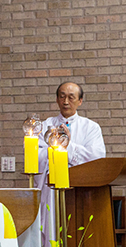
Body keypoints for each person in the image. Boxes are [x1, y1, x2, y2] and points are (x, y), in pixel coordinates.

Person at [34, 82, 105, 245]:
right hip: (50, 191)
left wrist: (68, 147)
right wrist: (57, 150)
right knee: (51, 232)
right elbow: (34, 156)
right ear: (57, 99)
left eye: (71, 97)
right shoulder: (45, 126)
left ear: (80, 101)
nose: (66, 101)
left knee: (77, 233)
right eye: (62, 96)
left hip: (80, 194)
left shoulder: (91, 128)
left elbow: (96, 158)